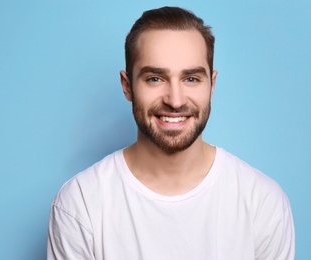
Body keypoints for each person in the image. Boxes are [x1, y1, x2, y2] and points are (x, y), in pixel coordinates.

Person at [47, 6, 295, 260]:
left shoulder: (262, 202)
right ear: (127, 86)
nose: (175, 101)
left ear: (212, 85)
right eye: (155, 78)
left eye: (191, 79)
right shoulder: (80, 204)